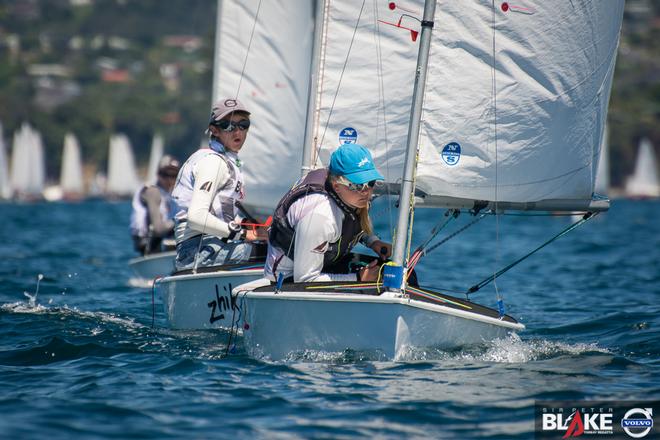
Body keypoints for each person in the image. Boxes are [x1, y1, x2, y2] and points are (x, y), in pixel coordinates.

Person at [265, 143, 392, 283]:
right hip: (289, 279)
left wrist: (373, 241)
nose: (366, 191)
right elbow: (304, 279)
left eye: (371, 182)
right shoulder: (320, 217)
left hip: (325, 264)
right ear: (337, 186)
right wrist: (357, 278)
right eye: (358, 185)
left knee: (394, 274)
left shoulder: (352, 196)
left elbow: (353, 222)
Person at [171, 98, 268, 271]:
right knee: (282, 252)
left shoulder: (225, 161)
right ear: (214, 130)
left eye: (243, 125)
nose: (237, 131)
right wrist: (243, 233)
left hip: (210, 247)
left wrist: (247, 223)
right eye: (229, 126)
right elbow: (196, 218)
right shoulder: (213, 163)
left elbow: (219, 212)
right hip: (198, 251)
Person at [130, 155, 181, 255]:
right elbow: (158, 229)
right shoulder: (152, 191)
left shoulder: (170, 194)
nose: (170, 180)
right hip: (149, 244)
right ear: (158, 174)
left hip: (162, 239)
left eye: (174, 175)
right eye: (166, 175)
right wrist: (184, 219)